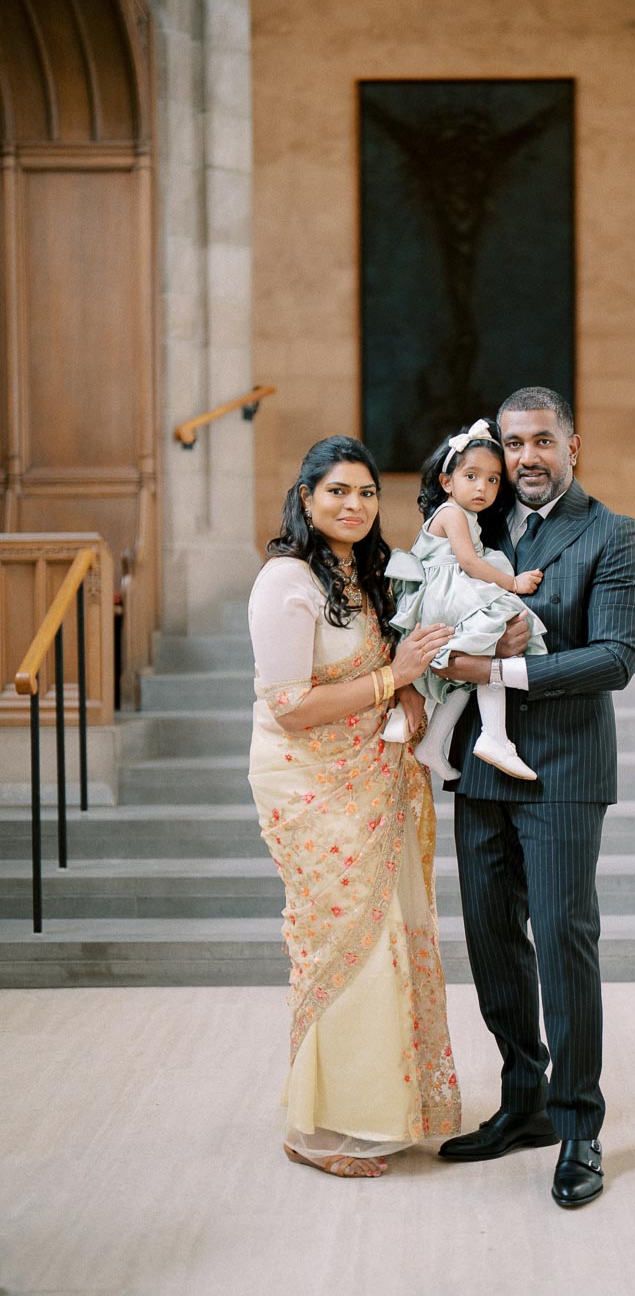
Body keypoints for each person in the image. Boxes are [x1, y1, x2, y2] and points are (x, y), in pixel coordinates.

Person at [435, 388, 635, 1209]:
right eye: (514, 442)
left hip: (563, 768)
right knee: (492, 938)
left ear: (572, 445)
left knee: (562, 938)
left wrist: (498, 672)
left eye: (542, 441)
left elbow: (616, 657)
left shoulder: (611, 532)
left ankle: (579, 1125)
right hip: (480, 769)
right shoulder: (475, 519)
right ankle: (522, 1101)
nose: (526, 456)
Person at [247, 435, 462, 1179]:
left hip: (375, 769)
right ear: (306, 499)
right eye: (337, 491)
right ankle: (318, 1129)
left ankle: (377, 1110)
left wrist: (408, 690)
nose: (354, 504)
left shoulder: (368, 575)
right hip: (309, 780)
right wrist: (389, 681)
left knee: (386, 936)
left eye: (367, 492)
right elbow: (289, 708)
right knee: (342, 940)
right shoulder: (286, 579)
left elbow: (389, 663)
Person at [385, 418, 548, 781]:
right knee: (496, 633)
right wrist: (513, 583)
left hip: (447, 592)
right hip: (445, 593)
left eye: (492, 480)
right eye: (471, 476)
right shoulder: (452, 513)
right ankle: (494, 736)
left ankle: (433, 744)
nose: (482, 487)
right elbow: (470, 563)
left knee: (461, 679)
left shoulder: (466, 515)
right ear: (446, 482)